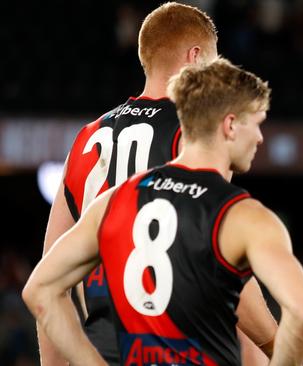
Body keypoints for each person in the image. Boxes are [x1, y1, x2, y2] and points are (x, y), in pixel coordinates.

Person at [24, 58, 303, 366]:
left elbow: (39, 290)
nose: (260, 137)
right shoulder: (242, 216)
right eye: (256, 123)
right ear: (230, 125)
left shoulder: (113, 200)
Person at [39, 3, 276, 365]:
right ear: (195, 58)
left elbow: (50, 276)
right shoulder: (196, 135)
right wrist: (280, 345)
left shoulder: (86, 140)